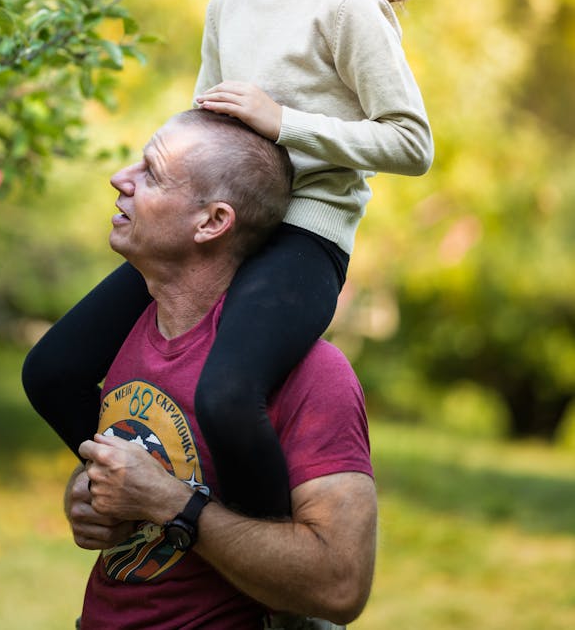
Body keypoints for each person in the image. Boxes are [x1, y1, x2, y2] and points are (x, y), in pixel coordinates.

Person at [23, 0, 433, 519]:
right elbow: (203, 128)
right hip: (220, 225)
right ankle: (153, 495)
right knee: (52, 369)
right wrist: (154, 185)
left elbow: (411, 142)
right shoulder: (230, 3)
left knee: (227, 393)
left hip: (303, 237)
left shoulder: (348, 4)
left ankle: (278, 576)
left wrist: (284, 122)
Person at [64, 109, 377, 629]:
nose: (121, 179)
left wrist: (172, 505)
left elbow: (340, 586)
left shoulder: (314, 373)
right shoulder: (127, 336)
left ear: (212, 222)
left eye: (152, 173)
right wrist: (86, 495)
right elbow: (153, 458)